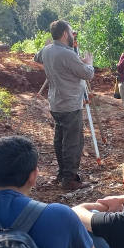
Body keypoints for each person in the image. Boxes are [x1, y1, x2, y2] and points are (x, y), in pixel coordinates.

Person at [34, 20, 95, 190]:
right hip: (70, 104)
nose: (72, 35)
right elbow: (87, 74)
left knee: (60, 139)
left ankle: (62, 173)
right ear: (64, 34)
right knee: (72, 142)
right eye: (70, 31)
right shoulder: (67, 54)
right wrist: (88, 62)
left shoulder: (48, 50)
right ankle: (69, 178)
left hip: (56, 103)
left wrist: (76, 62)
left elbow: (37, 57)